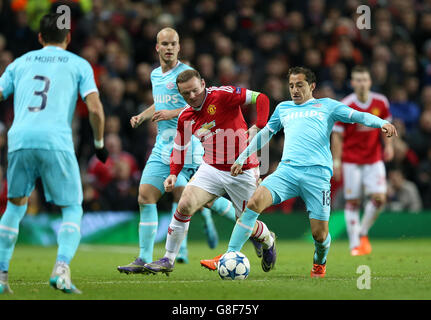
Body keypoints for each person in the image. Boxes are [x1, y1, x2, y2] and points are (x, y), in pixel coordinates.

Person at [228, 66, 397, 278]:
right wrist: (243, 158)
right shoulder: (283, 108)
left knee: (320, 234)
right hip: (287, 171)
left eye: (299, 85)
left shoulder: (326, 106)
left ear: (312, 86)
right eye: (291, 86)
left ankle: (320, 261)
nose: (294, 90)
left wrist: (381, 122)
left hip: (317, 176)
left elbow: (358, 116)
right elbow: (265, 134)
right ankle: (230, 254)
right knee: (253, 203)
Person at [0, 13, 108, 294]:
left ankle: (0, 276)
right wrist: (98, 143)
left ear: (39, 38)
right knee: (72, 207)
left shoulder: (20, 63)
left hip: (20, 139)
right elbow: (95, 109)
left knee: (15, 206)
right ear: (68, 38)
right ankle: (61, 269)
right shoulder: (79, 64)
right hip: (56, 141)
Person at [117, 28, 237, 273]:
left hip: (188, 145)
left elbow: (201, 106)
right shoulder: (154, 75)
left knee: (204, 201)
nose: (169, 48)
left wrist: (171, 114)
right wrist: (143, 115)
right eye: (165, 44)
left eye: (173, 44)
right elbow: (160, 103)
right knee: (145, 196)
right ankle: (142, 259)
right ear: (157, 48)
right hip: (163, 145)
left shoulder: (186, 74)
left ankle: (255, 227)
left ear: (179, 47)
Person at [143, 69, 276, 275]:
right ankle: (168, 259)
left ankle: (268, 240)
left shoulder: (223, 95)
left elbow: (261, 98)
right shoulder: (186, 116)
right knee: (185, 203)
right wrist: (173, 173)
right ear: (181, 94)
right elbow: (179, 148)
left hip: (243, 168)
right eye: (186, 93)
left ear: (203, 84)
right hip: (211, 168)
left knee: (246, 222)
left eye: (195, 90)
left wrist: (259, 125)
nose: (192, 96)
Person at [331, 66, 394, 256]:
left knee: (380, 199)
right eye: (357, 80)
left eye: (364, 79)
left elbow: (386, 126)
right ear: (352, 83)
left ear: (370, 82)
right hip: (351, 160)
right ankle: (354, 245)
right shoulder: (346, 104)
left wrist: (389, 146)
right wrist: (337, 161)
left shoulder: (381, 102)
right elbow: (338, 136)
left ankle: (362, 232)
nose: (361, 83)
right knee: (353, 201)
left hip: (373, 159)